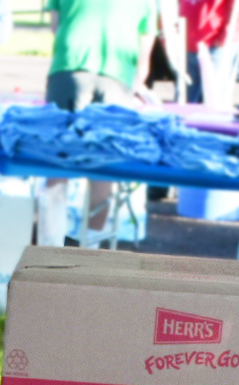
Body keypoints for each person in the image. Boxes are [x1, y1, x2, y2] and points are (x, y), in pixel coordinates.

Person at [43, 0, 158, 233]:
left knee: (58, 162)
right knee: (103, 168)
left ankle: (52, 242)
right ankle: (88, 247)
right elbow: (144, 57)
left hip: (70, 66)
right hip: (117, 76)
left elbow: (56, 26)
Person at [179, 0, 231, 104]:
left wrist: (223, 37)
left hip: (211, 45)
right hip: (187, 44)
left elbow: (236, 10)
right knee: (188, 98)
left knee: (212, 97)